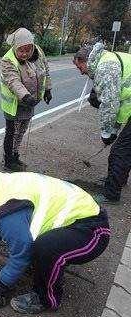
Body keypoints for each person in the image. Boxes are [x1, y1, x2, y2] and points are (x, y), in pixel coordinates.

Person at [0, 165, 110, 313]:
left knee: (45, 248)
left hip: (92, 230)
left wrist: (3, 282)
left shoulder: (7, 213)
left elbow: (22, 252)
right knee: (34, 245)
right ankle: (45, 264)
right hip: (76, 218)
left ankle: (45, 299)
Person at [73, 42, 131, 204]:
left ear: (84, 60)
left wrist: (106, 133)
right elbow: (122, 104)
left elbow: (110, 105)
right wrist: (114, 130)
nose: (81, 72)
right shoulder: (104, 59)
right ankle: (118, 179)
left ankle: (111, 194)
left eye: (80, 68)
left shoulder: (105, 68)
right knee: (123, 149)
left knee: (120, 151)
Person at [1, 28, 52, 171]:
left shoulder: (38, 52)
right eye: (21, 51)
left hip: (29, 102)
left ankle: (15, 156)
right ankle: (8, 161)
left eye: (27, 51)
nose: (24, 54)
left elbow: (45, 70)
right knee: (12, 132)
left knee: (22, 131)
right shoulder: (8, 60)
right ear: (15, 47)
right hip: (14, 104)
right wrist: (25, 96)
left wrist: (48, 89)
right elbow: (13, 82)